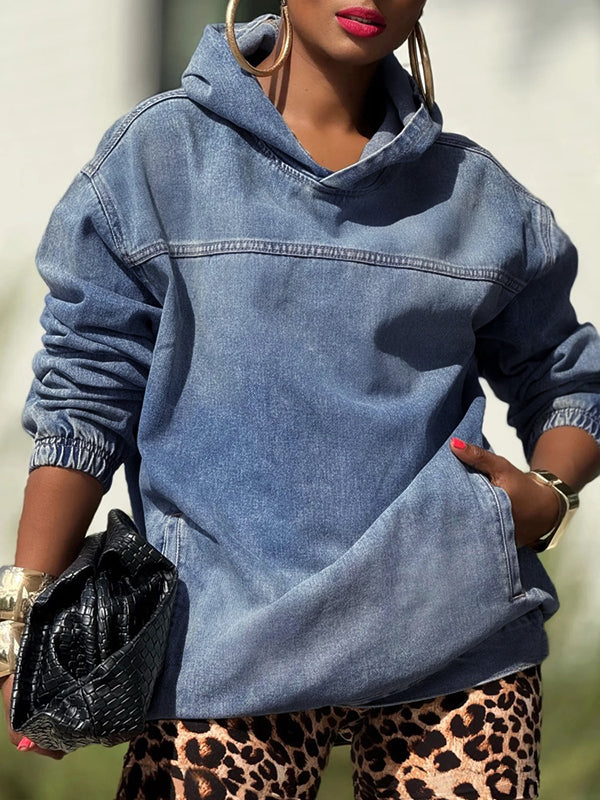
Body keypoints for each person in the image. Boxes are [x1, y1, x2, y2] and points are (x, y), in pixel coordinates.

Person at [2, 1, 599, 798]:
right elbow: (86, 396)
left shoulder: (474, 195)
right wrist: (22, 620)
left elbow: (567, 375)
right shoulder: (160, 158)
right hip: (222, 653)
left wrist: (549, 497)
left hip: (456, 645)